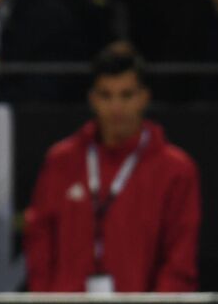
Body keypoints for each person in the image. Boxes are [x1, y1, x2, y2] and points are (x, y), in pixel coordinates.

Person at [23, 41, 201, 292]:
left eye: (126, 95)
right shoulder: (61, 160)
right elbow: (40, 242)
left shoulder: (176, 169)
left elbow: (179, 257)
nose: (116, 107)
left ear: (144, 97)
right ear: (93, 99)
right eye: (106, 95)